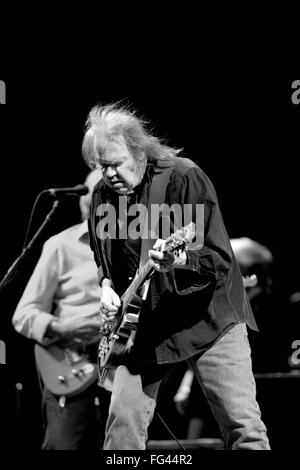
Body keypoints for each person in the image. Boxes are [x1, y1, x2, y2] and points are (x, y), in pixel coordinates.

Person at [82, 102, 270, 450]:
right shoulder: (102, 195)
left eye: (113, 164)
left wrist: (180, 260)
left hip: (209, 322)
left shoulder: (183, 178)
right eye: (99, 166)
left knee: (243, 428)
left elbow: (217, 259)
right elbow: (104, 257)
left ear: (138, 151)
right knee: (120, 432)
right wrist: (106, 287)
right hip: (144, 327)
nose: (107, 175)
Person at [12, 169, 111, 450]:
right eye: (86, 196)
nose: (88, 203)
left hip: (121, 365)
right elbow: (24, 314)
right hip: (71, 363)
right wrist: (64, 328)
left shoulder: (138, 245)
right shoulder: (59, 245)